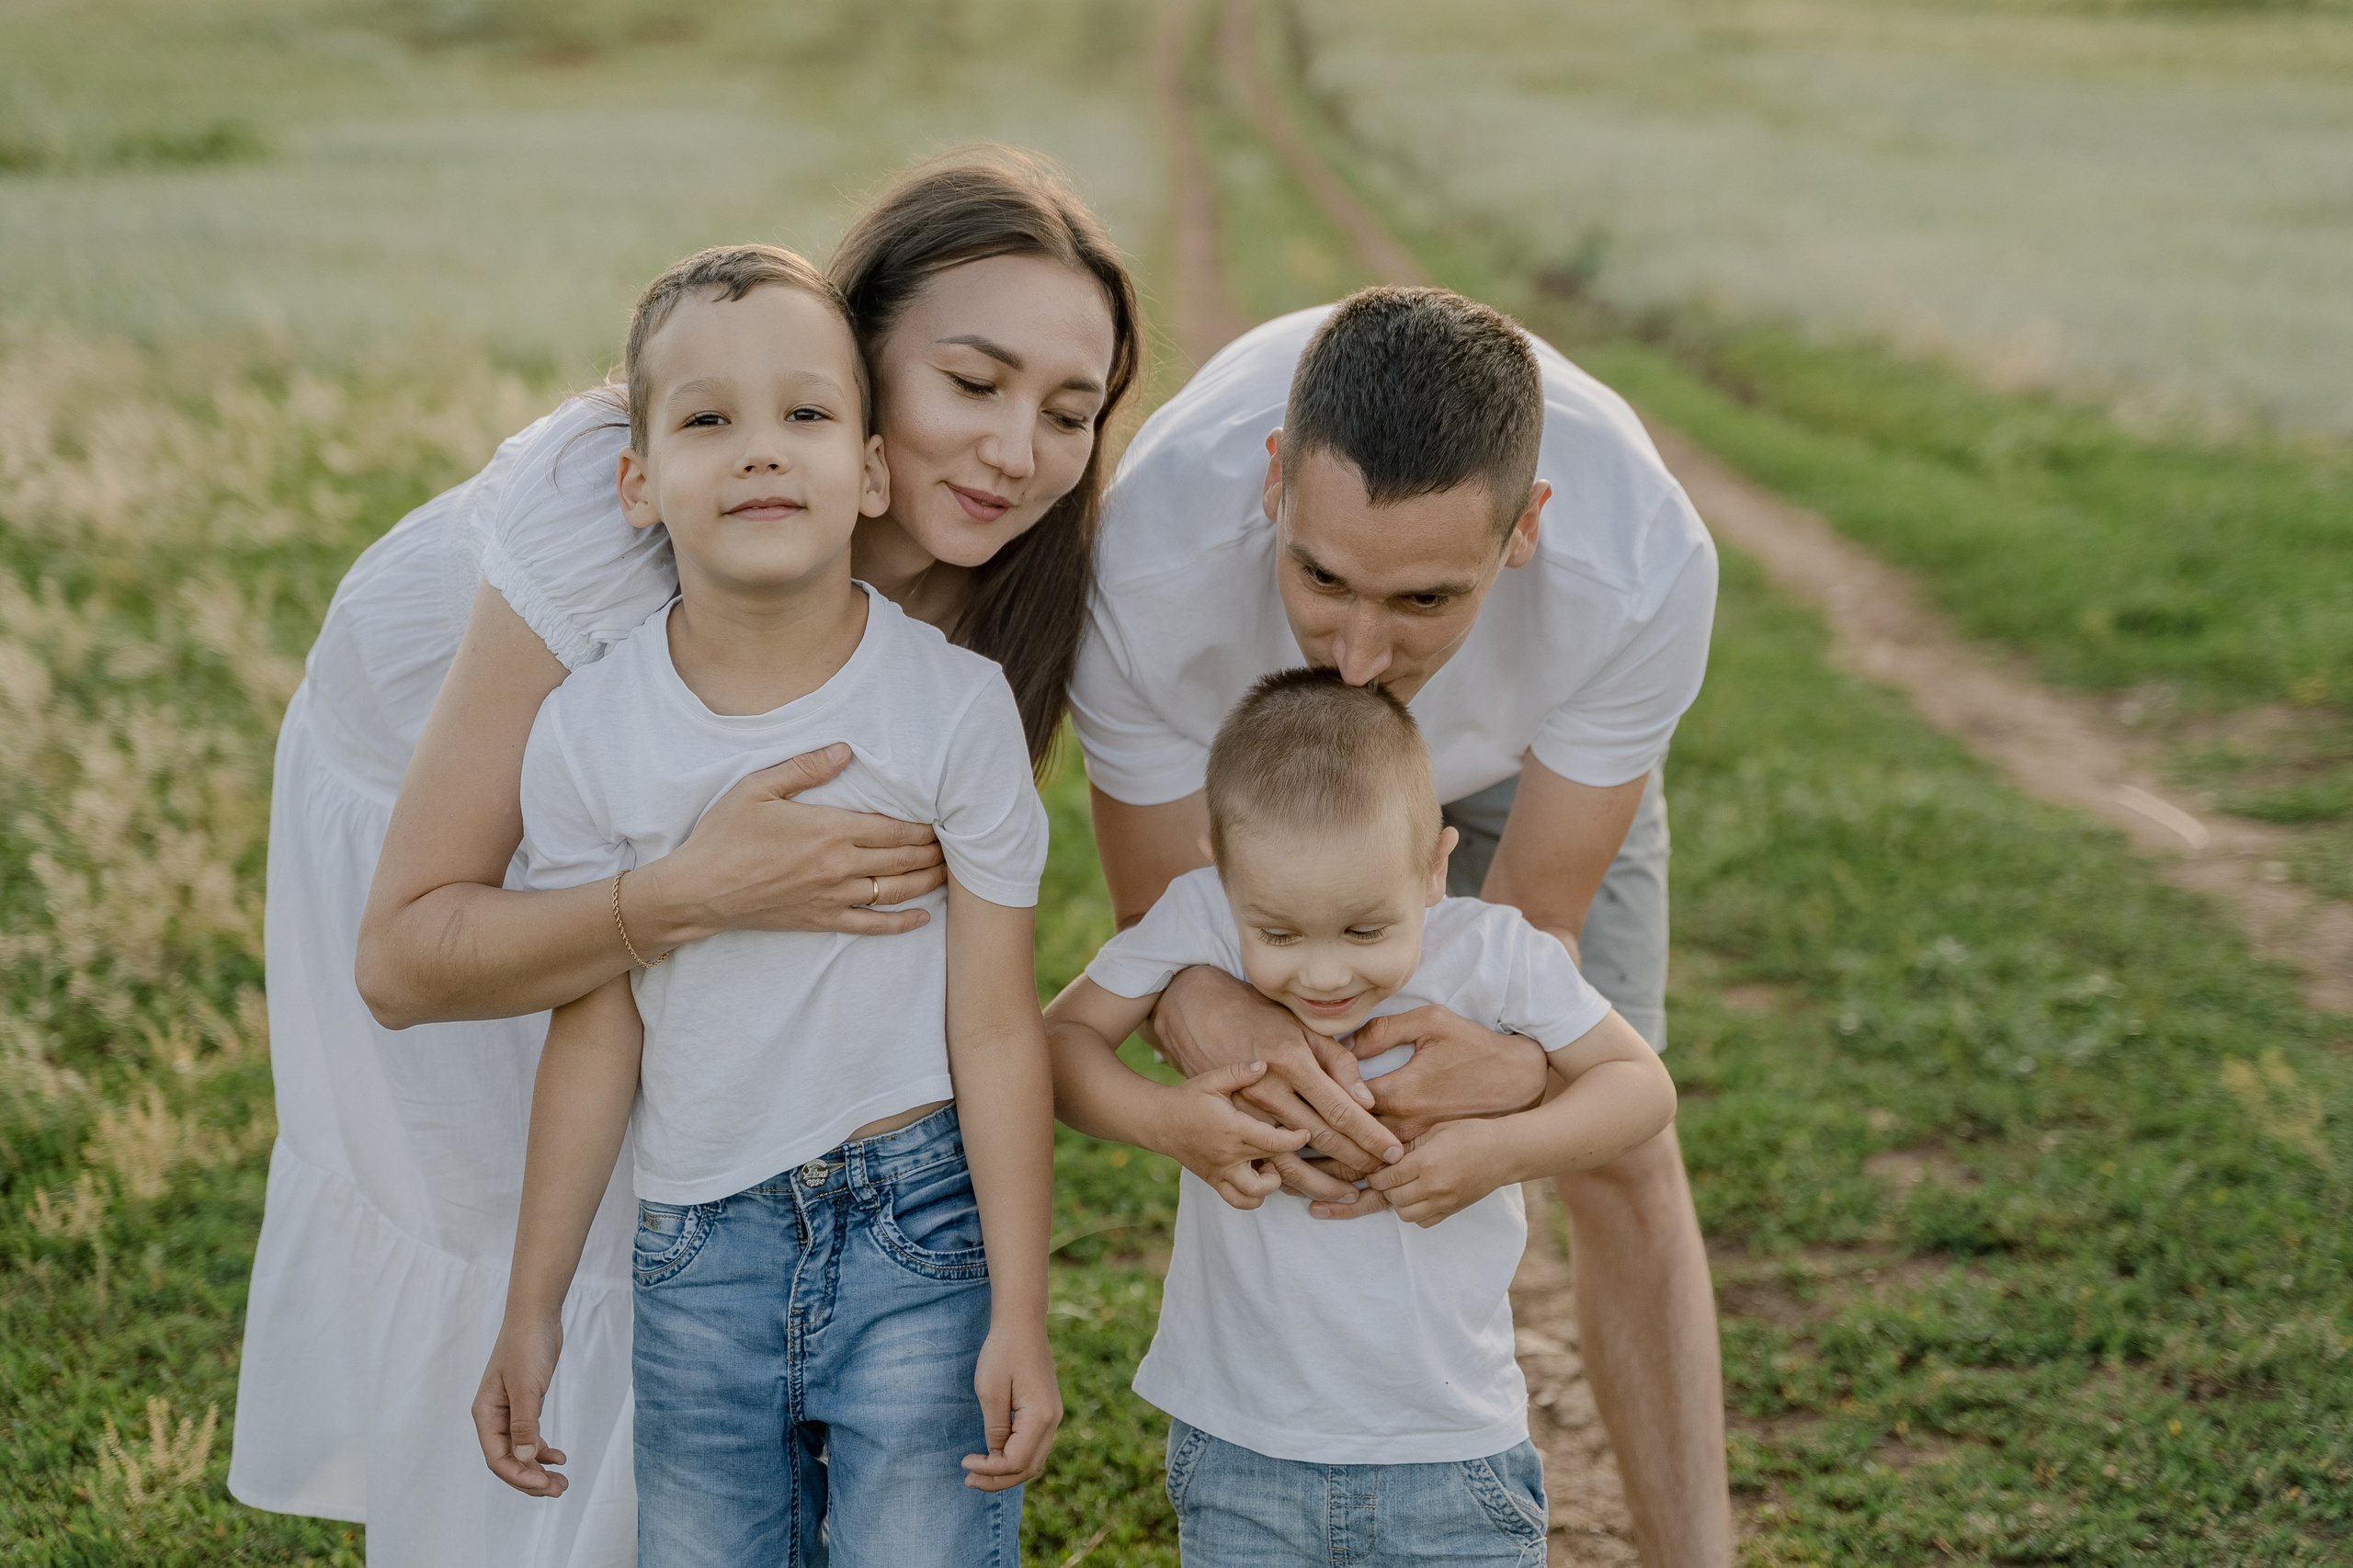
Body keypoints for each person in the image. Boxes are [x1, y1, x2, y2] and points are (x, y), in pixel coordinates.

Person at [228, 150, 1140, 1566]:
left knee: (683, 1192)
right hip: (436, 833)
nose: (1020, 449)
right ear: (860, 349)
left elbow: (964, 995)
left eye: (1069, 411)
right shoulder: (624, 512)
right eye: (975, 382)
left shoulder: (978, 617)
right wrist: (695, 893)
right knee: (564, 1251)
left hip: (670, 891)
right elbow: (407, 959)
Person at [1072, 287, 1732, 1562]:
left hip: (1530, 754)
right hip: (1265, 766)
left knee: (1619, 1149)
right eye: (1321, 579)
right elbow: (1168, 926)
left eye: (1425, 601)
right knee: (1264, 1057)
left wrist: (1530, 1073)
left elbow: (1529, 935)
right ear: (1273, 482)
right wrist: (1237, 1038)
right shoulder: (1146, 562)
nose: (1359, 656)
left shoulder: (1644, 562)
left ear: (1526, 532)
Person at [469, 244, 1058, 1562]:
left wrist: (1019, 1304)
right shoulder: (586, 733)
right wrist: (533, 1305)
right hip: (697, 1255)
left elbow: (1000, 1027)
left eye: (805, 414)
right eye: (706, 420)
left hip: (920, 1234)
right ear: (638, 483)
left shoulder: (953, 709)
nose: (760, 452)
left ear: (872, 471)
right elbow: (597, 1028)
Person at [1048, 668, 1677, 1565]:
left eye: (1364, 931)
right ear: (1222, 871)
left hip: (1452, 1448)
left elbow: (1639, 1086)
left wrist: (1501, 1147)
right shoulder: (1200, 917)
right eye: (1278, 933)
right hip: (1245, 1446)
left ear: (1433, 865)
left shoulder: (1494, 952)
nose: (1324, 974)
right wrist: (1163, 1119)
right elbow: (1060, 1040)